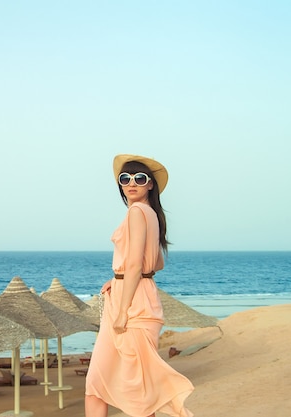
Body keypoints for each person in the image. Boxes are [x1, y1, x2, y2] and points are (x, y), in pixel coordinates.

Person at [85, 154, 194, 417]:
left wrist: (122, 310)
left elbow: (136, 264)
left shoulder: (136, 212)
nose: (131, 183)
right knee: (104, 385)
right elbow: (153, 264)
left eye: (139, 178)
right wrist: (117, 278)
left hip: (132, 306)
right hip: (136, 296)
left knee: (129, 390)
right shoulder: (152, 214)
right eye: (125, 178)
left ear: (150, 185)